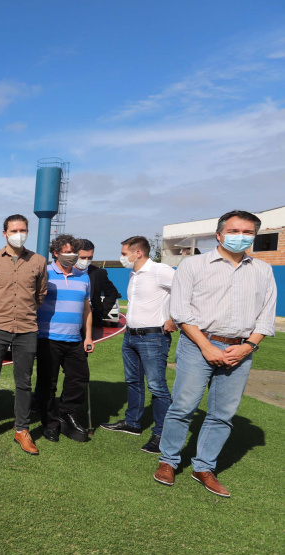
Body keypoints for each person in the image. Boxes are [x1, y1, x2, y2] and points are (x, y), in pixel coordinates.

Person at [154, 210, 276, 498]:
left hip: (240, 349)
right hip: (198, 344)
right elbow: (181, 311)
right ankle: (168, 461)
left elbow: (266, 316)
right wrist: (206, 347)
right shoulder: (193, 265)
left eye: (248, 232)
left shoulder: (262, 270)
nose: (241, 237)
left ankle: (204, 467)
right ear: (219, 234)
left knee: (222, 414)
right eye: (235, 231)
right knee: (184, 406)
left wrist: (248, 346)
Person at [0, 214, 47, 455]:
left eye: (23, 229)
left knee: (24, 382)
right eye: (14, 230)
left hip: (26, 329)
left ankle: (22, 429)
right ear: (4, 233)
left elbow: (40, 295)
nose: (19, 233)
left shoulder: (38, 261)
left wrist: (24, 313)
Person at [100, 236, 176, 454]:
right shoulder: (134, 273)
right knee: (133, 381)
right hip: (130, 336)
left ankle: (161, 433)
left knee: (157, 386)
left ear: (138, 253)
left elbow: (188, 292)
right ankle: (132, 423)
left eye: (124, 254)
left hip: (153, 337)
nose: (122, 258)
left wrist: (175, 320)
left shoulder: (161, 270)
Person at [36, 234, 95, 444]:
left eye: (74, 252)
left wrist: (88, 336)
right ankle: (50, 424)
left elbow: (87, 309)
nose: (71, 256)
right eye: (67, 252)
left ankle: (66, 412)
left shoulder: (83, 276)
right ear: (56, 253)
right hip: (47, 337)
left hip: (75, 339)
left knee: (79, 378)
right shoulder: (46, 274)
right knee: (47, 384)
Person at [75, 239, 120, 328]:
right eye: (83, 258)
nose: (86, 260)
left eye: (90, 257)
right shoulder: (65, 271)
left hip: (91, 323)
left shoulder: (99, 273)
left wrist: (101, 313)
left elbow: (112, 293)